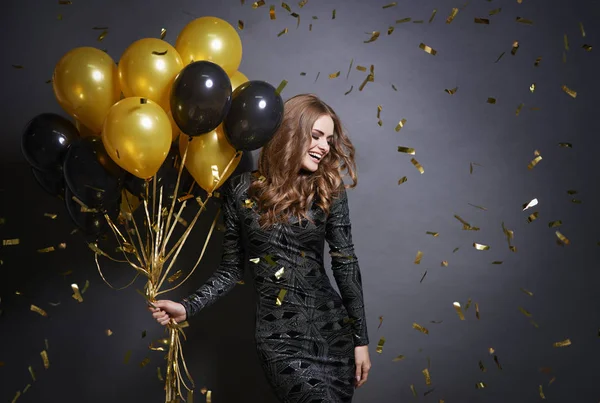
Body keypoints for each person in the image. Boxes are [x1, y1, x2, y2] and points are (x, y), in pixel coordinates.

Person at [149, 93, 371, 402]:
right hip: (279, 339)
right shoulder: (240, 190)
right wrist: (188, 307)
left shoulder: (328, 189)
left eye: (329, 139)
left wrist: (361, 340)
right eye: (316, 135)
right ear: (291, 132)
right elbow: (230, 269)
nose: (324, 146)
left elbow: (345, 263)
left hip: (332, 331)